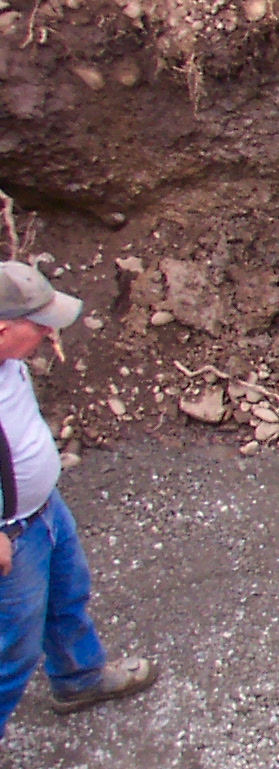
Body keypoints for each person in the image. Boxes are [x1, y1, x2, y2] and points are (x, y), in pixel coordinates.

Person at [0, 260, 153, 738]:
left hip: (43, 511)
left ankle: (79, 679)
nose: (49, 334)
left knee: (67, 595)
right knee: (12, 648)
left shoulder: (9, 361)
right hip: (11, 534)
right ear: (3, 328)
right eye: (39, 324)